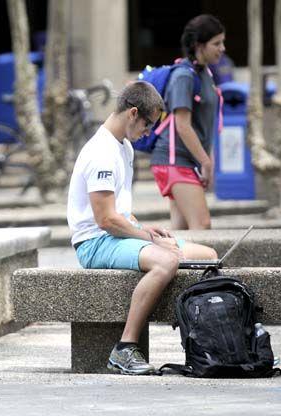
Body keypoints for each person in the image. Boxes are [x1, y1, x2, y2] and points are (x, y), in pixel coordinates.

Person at [67, 81, 217, 375]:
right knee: (166, 260)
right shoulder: (102, 152)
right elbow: (105, 220)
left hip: (115, 236)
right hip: (94, 243)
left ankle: (211, 343)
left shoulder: (123, 147)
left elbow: (119, 213)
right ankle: (124, 348)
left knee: (208, 256)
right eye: (147, 125)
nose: (147, 133)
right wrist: (149, 240)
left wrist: (146, 229)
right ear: (132, 113)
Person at [150, 14, 225, 230]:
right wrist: (206, 162)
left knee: (180, 231)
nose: (222, 48)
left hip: (185, 161)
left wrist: (206, 159)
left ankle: (162, 262)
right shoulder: (184, 75)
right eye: (216, 43)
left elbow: (205, 125)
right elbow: (182, 125)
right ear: (199, 45)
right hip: (174, 159)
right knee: (202, 226)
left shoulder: (205, 73)